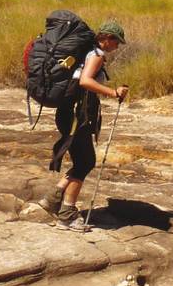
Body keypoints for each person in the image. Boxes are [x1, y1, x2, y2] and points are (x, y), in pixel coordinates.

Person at [38, 19, 130, 230]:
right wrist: (113, 92)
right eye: (116, 42)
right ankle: (67, 216)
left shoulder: (87, 53)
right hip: (76, 115)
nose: (117, 47)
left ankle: (52, 199)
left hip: (68, 112)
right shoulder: (96, 55)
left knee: (82, 160)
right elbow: (85, 81)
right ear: (107, 38)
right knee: (86, 162)